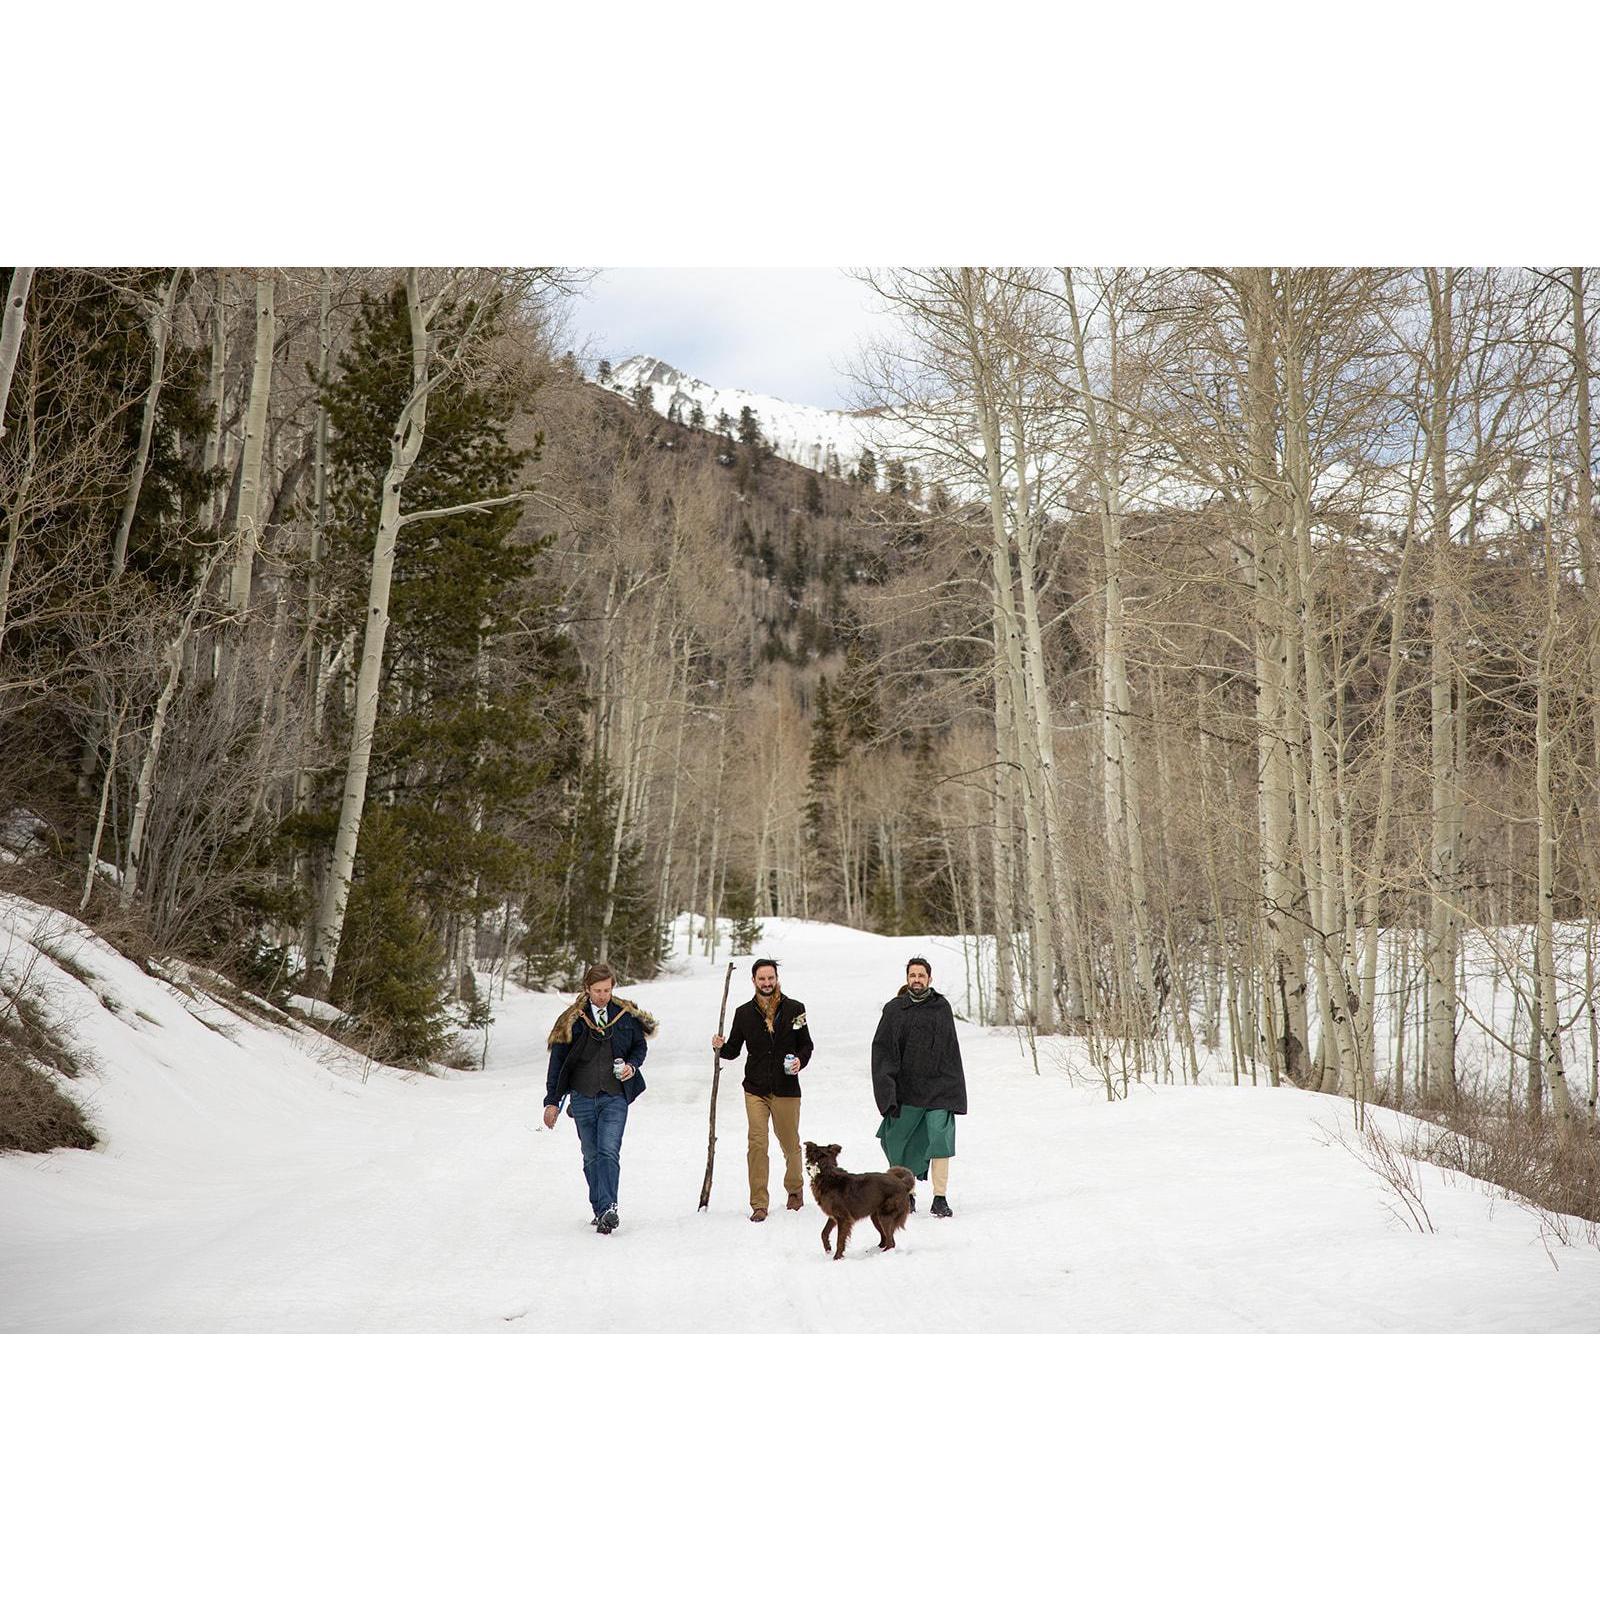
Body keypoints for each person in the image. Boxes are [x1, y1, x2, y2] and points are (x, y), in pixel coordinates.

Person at [543, 962, 655, 1235]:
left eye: (606, 990)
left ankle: (609, 1208)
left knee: (608, 1150)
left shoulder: (625, 1015)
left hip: (615, 1096)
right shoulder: (572, 1019)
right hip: (581, 1097)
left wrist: (632, 1065)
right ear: (587, 989)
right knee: (591, 1155)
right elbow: (557, 1063)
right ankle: (600, 1208)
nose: (602, 995)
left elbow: (640, 1046)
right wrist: (552, 1101)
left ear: (612, 988)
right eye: (597, 990)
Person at [712, 957, 815, 1222]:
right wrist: (720, 1046)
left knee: (790, 1144)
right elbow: (734, 1050)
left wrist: (799, 1061)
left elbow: (806, 1044)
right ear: (754, 981)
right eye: (762, 979)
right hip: (755, 1088)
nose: (767, 983)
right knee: (757, 1144)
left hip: (786, 1088)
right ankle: (759, 1202)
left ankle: (795, 1190)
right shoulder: (744, 1013)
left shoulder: (795, 1009)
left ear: (776, 979)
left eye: (770, 978)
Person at [870, 955, 966, 1218]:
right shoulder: (894, 1010)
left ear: (929, 979)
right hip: (906, 1090)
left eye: (921, 975)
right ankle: (907, 1195)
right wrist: (886, 1092)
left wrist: (954, 1092)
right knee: (899, 1142)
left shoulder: (941, 1007)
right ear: (907, 978)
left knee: (940, 1139)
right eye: (912, 975)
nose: (917, 979)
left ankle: (940, 1198)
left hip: (939, 1089)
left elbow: (950, 1051)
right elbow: (882, 1052)